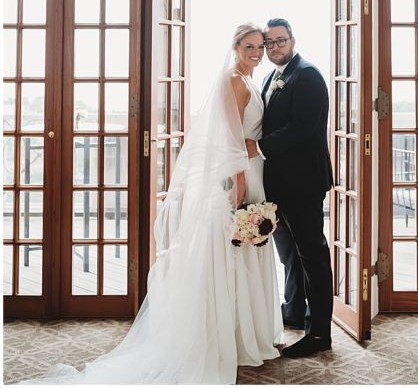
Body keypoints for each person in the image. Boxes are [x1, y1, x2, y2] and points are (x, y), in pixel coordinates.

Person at [25, 24, 282, 384]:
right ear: (236, 47)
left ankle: (245, 332)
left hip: (253, 170)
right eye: (249, 46)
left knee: (246, 250)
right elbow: (230, 137)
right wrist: (238, 183)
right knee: (233, 250)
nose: (256, 51)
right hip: (239, 174)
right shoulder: (234, 80)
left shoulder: (252, 79)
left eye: (260, 45)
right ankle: (229, 337)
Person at [247, 17, 333, 358]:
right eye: (269, 44)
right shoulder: (274, 75)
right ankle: (294, 311)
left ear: (293, 41)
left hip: (303, 181)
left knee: (312, 253)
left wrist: (259, 146)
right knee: (289, 255)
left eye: (280, 41)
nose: (274, 48)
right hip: (279, 184)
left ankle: (319, 333)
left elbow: (303, 129)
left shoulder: (307, 74)